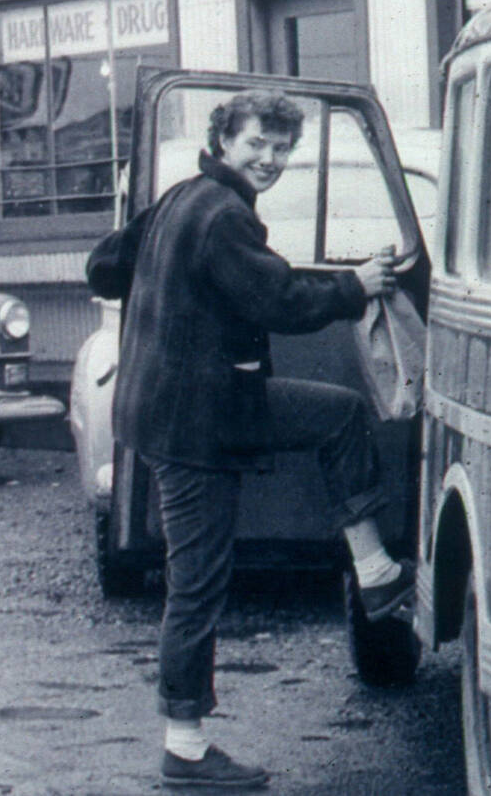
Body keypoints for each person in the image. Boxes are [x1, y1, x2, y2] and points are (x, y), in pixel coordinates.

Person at [104, 90, 407, 790]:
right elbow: (281, 301)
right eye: (256, 146)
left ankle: (373, 567)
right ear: (224, 140)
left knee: (336, 414)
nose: (269, 160)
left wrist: (159, 269)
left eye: (281, 150)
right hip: (195, 421)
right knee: (197, 583)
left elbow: (101, 265)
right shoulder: (223, 214)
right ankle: (183, 750)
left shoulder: (186, 197)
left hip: (188, 405)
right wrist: (354, 285)